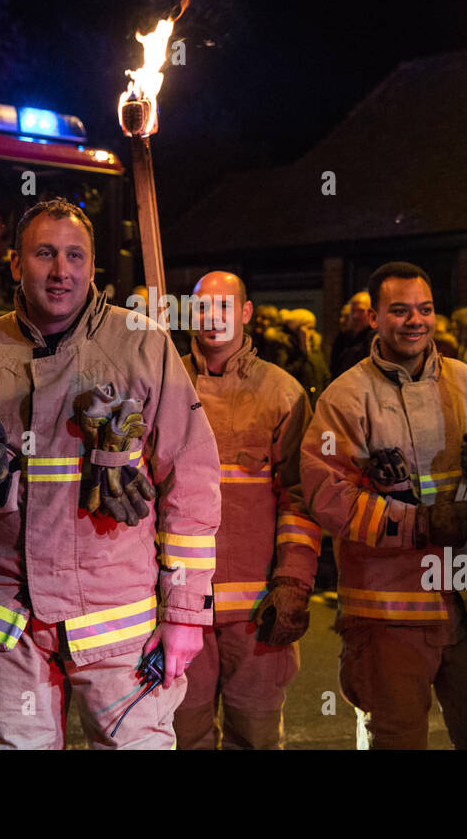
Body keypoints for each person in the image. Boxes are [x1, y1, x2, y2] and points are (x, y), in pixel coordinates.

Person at [0, 197, 221, 749]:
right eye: (45, 253)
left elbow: (190, 481)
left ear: (94, 267)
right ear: (16, 264)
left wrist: (185, 615)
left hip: (118, 627)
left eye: (75, 256)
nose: (61, 270)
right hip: (10, 623)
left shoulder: (142, 346)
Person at [300, 261, 467, 750]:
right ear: (374, 317)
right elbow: (328, 498)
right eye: (399, 311)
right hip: (390, 617)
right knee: (396, 740)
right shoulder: (345, 399)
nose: (415, 321)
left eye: (424, 309)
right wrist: (417, 524)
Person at [173, 271, 319, 749]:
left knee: (254, 737)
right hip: (178, 608)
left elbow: (298, 498)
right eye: (203, 307)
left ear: (247, 312)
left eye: (225, 306)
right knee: (181, 736)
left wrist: (294, 581)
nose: (213, 318)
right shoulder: (165, 385)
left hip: (255, 614)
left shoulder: (282, 393)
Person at [331, 291, 376, 377]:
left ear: (372, 313)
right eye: (353, 311)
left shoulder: (375, 340)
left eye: (361, 311)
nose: (355, 316)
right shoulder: (342, 339)